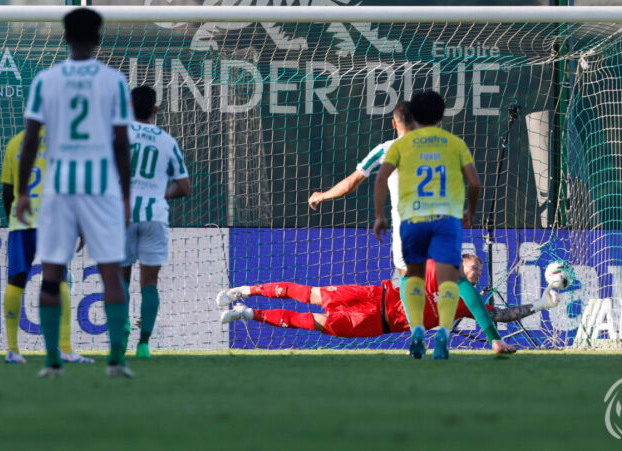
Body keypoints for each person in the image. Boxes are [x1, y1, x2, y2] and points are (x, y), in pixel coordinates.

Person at [309, 101, 512, 354]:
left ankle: (417, 335)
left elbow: (352, 183)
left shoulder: (386, 149)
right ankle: (494, 339)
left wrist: (323, 195)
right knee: (459, 279)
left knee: (407, 277)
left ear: (394, 123)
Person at [14, 7, 134, 378]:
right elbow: (120, 143)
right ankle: (116, 360)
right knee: (111, 273)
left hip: (59, 186)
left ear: (64, 38)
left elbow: (31, 139)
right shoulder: (113, 81)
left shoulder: (45, 81)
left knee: (51, 272)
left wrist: (21, 192)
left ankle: (51, 362)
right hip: (100, 186)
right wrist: (126, 195)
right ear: (99, 38)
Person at [219, 254, 558, 340]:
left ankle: (247, 314)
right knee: (309, 295)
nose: (477, 274)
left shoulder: (465, 303)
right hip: (372, 294)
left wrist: (541, 304)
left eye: (479, 273)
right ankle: (245, 290)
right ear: (462, 262)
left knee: (310, 323)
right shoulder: (436, 266)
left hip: (375, 322)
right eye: (474, 268)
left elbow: (499, 315)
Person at [373, 90, 481, 359]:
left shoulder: (400, 146)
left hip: (413, 220)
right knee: (449, 280)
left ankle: (417, 332)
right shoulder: (454, 144)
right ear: (442, 117)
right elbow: (475, 183)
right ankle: (443, 332)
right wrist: (471, 211)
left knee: (412, 277)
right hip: (445, 221)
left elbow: (380, 180)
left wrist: (379, 215)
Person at [0, 126, 94, 365]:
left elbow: (8, 190)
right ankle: (64, 347)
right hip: (53, 221)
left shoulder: (15, 143)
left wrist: (13, 217)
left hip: (21, 222)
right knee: (59, 279)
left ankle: (12, 349)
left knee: (15, 280)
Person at [123, 86, 190, 359]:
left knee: (119, 279)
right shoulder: (166, 141)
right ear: (155, 111)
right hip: (154, 216)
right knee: (149, 283)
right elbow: (184, 188)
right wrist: (160, 193)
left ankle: (121, 330)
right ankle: (143, 345)